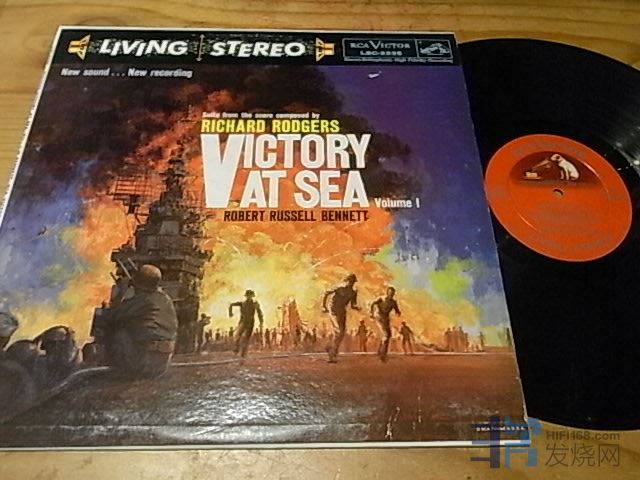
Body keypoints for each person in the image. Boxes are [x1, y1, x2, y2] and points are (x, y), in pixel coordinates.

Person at [107, 264, 178, 379]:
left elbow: (112, 316)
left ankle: (119, 370)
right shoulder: (165, 299)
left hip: (143, 363)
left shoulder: (141, 301)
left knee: (120, 332)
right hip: (162, 364)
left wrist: (121, 292)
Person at [322, 273, 360, 363]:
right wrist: (323, 306)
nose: (350, 284)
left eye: (352, 282)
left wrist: (356, 308)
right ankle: (332, 354)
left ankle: (330, 347)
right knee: (339, 331)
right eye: (349, 281)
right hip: (333, 310)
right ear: (346, 281)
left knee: (341, 333)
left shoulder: (353, 293)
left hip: (342, 312)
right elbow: (326, 293)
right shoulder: (339, 288)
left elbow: (353, 305)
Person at [229, 289, 264, 360]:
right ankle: (236, 349)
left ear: (252, 296)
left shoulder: (255, 304)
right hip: (243, 321)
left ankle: (243, 355)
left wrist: (261, 322)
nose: (249, 297)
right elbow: (231, 305)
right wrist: (230, 313)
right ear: (246, 296)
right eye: (248, 296)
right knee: (237, 335)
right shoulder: (242, 303)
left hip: (250, 323)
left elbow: (259, 313)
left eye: (250, 296)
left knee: (246, 339)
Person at [370, 286, 401, 362]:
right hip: (379, 316)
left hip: (385, 318)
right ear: (387, 293)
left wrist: (398, 313)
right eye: (390, 293)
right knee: (386, 335)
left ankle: (380, 350)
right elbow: (372, 303)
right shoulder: (381, 298)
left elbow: (397, 310)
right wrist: (371, 313)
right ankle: (383, 355)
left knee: (388, 335)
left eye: (392, 294)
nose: (391, 295)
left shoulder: (393, 302)